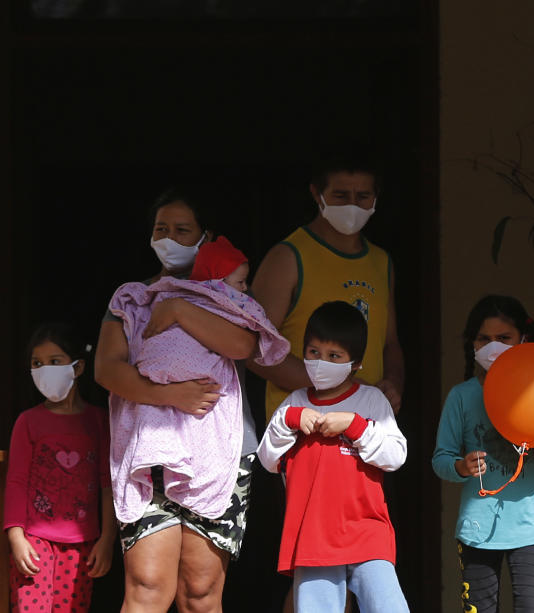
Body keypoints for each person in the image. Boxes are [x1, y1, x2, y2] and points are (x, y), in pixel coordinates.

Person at [94, 189, 264, 613]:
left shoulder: (228, 294)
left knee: (201, 593)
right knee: (148, 587)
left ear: (206, 236)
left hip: (220, 456)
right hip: (148, 453)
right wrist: (167, 395)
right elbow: (107, 370)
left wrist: (179, 308)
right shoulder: (131, 298)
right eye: (161, 229)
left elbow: (244, 345)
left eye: (182, 230)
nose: (169, 237)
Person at [432, 295, 534, 613]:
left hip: (529, 527)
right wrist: (460, 467)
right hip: (477, 530)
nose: (493, 346)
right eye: (484, 339)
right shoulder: (461, 397)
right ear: (472, 344)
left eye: (503, 338)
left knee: (533, 607)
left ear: (524, 339)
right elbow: (440, 458)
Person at [257, 301, 409, 613]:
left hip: (367, 532)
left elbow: (396, 455)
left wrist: (354, 425)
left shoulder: (371, 400)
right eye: (313, 352)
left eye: (334, 356)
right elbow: (268, 459)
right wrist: (290, 421)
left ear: (355, 364)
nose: (320, 362)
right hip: (313, 537)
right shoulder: (292, 404)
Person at [249, 152, 404, 418]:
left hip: (367, 431)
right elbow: (253, 349)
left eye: (363, 196)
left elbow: (389, 343)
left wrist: (393, 384)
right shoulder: (288, 257)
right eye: (341, 196)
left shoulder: (382, 262)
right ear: (316, 193)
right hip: (303, 430)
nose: (353, 205)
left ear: (376, 197)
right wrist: (345, 388)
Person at [4, 322, 115, 613]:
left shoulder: (99, 421)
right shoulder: (28, 422)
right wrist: (16, 536)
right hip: (35, 541)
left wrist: (107, 538)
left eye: (55, 362)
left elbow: (108, 482)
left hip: (83, 544)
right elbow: (16, 481)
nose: (45, 369)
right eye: (37, 363)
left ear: (77, 368)